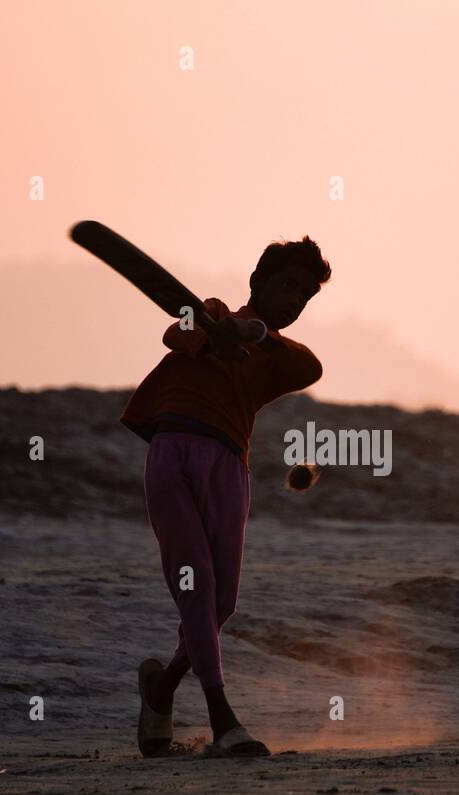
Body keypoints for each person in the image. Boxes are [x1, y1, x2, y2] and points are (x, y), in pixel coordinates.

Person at [122, 237, 331, 757]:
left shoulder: (280, 356)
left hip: (228, 466)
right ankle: (223, 721)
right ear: (256, 282)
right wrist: (218, 333)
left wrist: (254, 334)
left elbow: (312, 368)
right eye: (286, 285)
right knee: (196, 587)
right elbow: (177, 332)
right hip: (172, 455)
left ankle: (163, 687)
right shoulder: (213, 313)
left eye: (304, 296)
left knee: (222, 602)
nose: (293, 300)